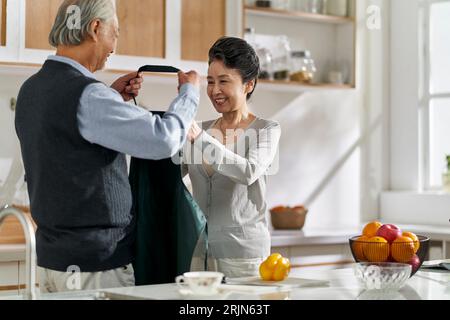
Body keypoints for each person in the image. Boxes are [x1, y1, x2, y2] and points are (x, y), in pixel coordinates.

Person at [15, 0, 200, 293]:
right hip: (96, 266)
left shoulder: (31, 90)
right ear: (95, 28)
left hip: (52, 265)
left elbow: (70, 141)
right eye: (115, 31)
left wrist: (112, 98)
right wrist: (189, 94)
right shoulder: (89, 97)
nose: (115, 43)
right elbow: (164, 140)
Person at [182, 37, 281, 278]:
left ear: (249, 84)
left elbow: (248, 171)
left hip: (244, 258)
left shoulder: (266, 130)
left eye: (224, 81)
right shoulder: (199, 130)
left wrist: (199, 137)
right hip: (199, 254)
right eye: (210, 81)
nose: (215, 90)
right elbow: (166, 175)